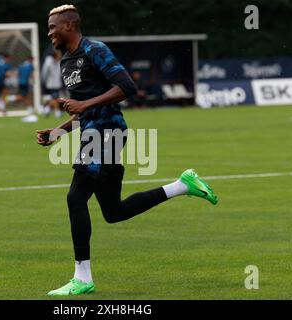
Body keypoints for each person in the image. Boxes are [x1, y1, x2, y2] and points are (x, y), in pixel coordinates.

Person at [37, 4, 218, 296]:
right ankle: (182, 185)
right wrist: (58, 132)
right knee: (113, 211)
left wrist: (85, 105)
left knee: (75, 197)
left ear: (69, 26)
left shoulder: (95, 50)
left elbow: (127, 86)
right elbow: (83, 110)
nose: (49, 33)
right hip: (94, 132)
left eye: (53, 27)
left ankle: (82, 278)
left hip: (107, 132)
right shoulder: (66, 62)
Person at [41, 49, 63, 118]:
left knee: (54, 98)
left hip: (57, 83)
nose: (60, 55)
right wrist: (44, 81)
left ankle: (47, 109)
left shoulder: (59, 61)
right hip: (50, 83)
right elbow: (45, 71)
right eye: (59, 54)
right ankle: (57, 111)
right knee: (55, 98)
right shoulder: (49, 61)